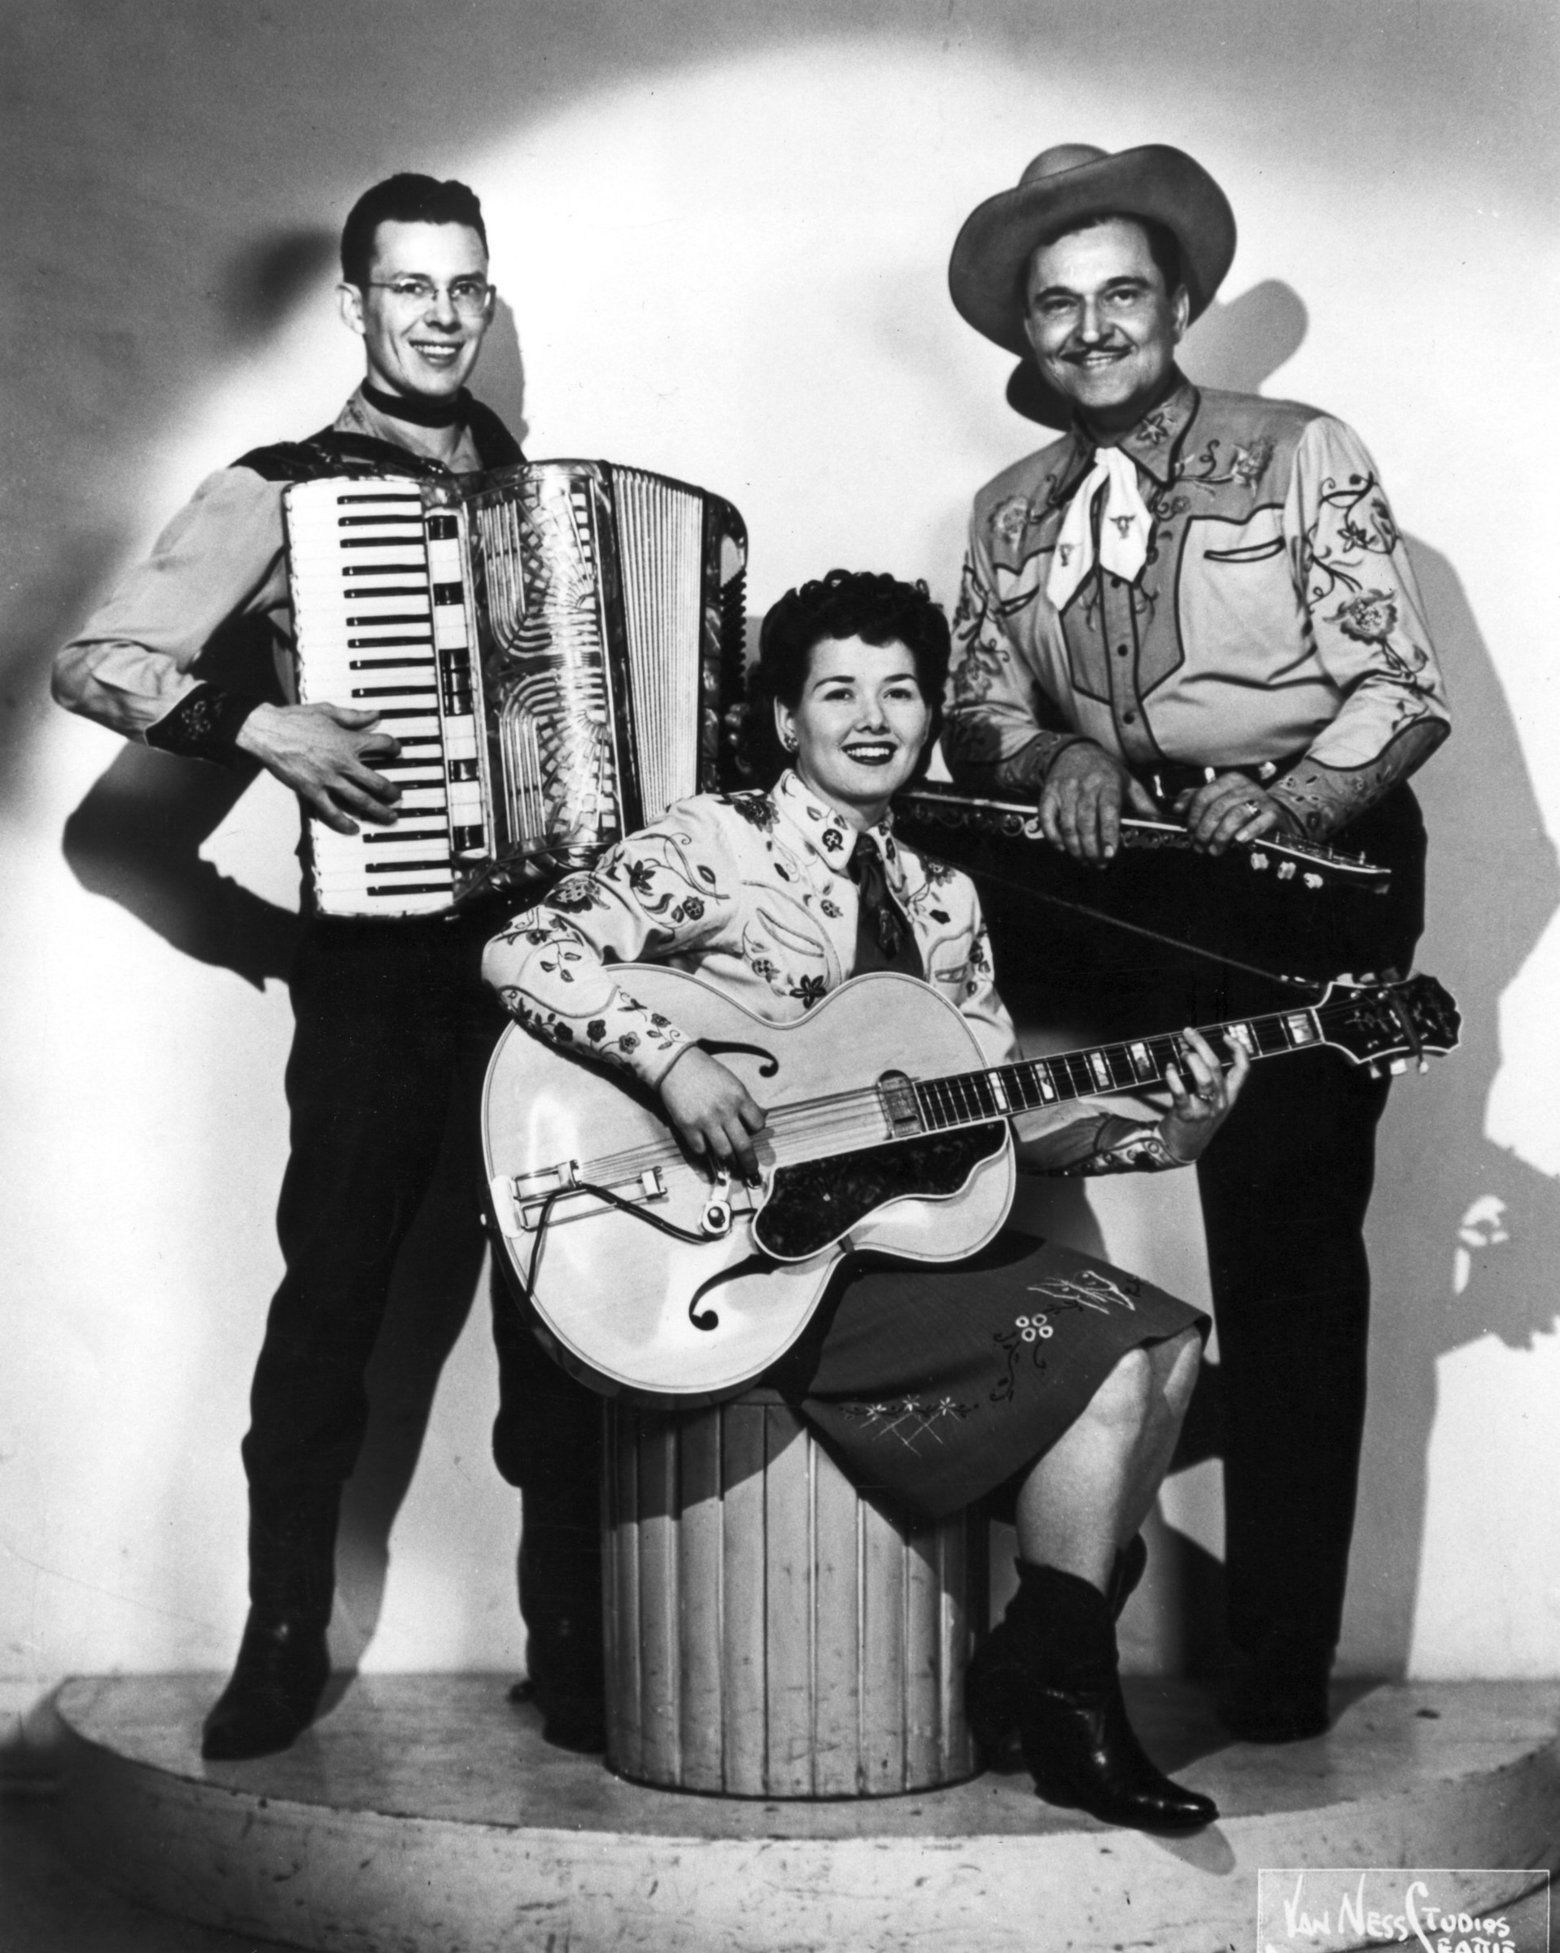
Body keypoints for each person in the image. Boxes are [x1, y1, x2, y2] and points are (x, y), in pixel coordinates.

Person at [483, 568, 1251, 1832]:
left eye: (902, 689)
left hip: (877, 1251)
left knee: (1165, 1341)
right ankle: (1069, 1704)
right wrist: (671, 1062)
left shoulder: (944, 901)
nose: (874, 715)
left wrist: (1166, 1129)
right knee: (1123, 1357)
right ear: (786, 719)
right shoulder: (713, 844)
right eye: (838, 691)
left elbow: (999, 1124)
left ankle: (1040, 1672)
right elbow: (526, 949)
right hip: (727, 1253)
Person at [52, 173, 603, 1760]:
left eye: (466, 289)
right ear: (356, 307)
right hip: (373, 971)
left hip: (548, 978)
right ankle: (282, 1631)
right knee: (334, 1305)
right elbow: (98, 660)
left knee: (561, 1304)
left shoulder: (552, 504)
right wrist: (261, 726)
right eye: (411, 288)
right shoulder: (281, 491)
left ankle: (567, 1636)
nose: (442, 315)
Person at [942, 144, 1451, 1740]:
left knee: (1286, 1244)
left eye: (1121, 297)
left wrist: (1295, 799)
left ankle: (1278, 1662)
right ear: (1026, 333)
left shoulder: (1302, 450)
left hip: (1310, 875)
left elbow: (1400, 687)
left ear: (1177, 306)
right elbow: (971, 705)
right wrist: (1050, 761)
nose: (1093, 330)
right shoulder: (1007, 508)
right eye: (1058, 305)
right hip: (1113, 878)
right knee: (974, 1133)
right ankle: (1062, 1585)